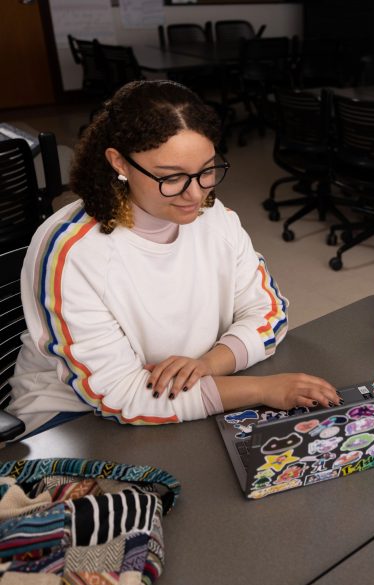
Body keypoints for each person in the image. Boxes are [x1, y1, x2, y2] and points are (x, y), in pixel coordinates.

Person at [9, 80, 339, 438]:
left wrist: (208, 363)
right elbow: (122, 395)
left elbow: (269, 313)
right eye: (172, 178)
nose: (195, 194)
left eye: (207, 171)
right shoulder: (72, 253)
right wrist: (262, 390)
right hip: (72, 420)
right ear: (119, 162)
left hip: (191, 392)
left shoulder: (216, 219)